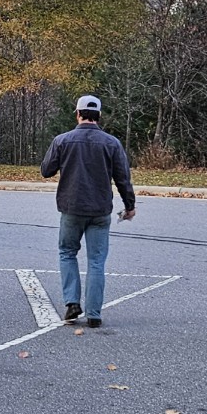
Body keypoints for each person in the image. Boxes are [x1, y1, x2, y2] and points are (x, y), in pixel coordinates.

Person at [39, 94, 136, 327]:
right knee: (96, 261)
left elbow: (46, 170)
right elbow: (123, 178)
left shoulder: (62, 141)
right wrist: (130, 205)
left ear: (78, 114)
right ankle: (94, 314)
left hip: (71, 208)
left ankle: (72, 302)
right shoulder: (112, 143)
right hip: (100, 210)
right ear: (98, 115)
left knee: (67, 252)